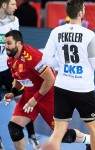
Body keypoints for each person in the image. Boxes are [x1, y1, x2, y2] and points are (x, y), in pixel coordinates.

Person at [4, 30, 92, 150]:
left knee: (62, 136)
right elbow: (19, 78)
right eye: (5, 43)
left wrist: (35, 99)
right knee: (14, 128)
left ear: (18, 43)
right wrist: (13, 92)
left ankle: (89, 139)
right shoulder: (11, 59)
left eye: (9, 43)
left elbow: (50, 79)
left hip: (49, 95)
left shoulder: (32, 57)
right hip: (30, 95)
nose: (6, 47)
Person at [42, 0, 95, 150]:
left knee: (58, 132)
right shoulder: (89, 35)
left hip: (62, 86)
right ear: (81, 13)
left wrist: (63, 64)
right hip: (83, 89)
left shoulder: (56, 31)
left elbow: (46, 59)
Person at [0, 0, 38, 149]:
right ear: (4, 6)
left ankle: (32, 136)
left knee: (24, 100)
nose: (16, 7)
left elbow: (18, 45)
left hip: (9, 69)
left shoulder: (15, 21)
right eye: (12, 4)